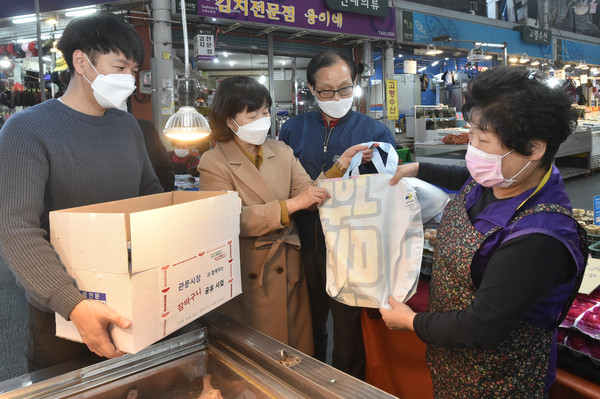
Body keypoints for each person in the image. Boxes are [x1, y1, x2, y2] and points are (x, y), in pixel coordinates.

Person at [380, 66, 588, 398]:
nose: (472, 149)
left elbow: (482, 326)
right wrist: (419, 168)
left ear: (534, 148)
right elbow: (465, 177)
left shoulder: (538, 237)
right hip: (452, 364)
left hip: (499, 381)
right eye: (471, 134)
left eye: (483, 139)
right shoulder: (503, 177)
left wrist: (410, 322)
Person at [0, 14, 164, 372]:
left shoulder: (128, 127)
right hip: (61, 310)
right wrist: (72, 303)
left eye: (133, 70)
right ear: (81, 61)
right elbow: (15, 229)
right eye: (120, 66)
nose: (129, 80)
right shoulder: (26, 130)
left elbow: (150, 196)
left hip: (130, 294)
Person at [197, 76, 368, 354]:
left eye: (265, 112)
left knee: (296, 352)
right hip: (251, 271)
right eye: (252, 115)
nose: (262, 120)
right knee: (257, 357)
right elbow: (230, 221)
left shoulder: (281, 151)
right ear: (230, 121)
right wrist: (290, 205)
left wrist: (342, 165)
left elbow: (310, 194)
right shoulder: (214, 163)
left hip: (289, 269)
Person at [278, 50, 396, 378]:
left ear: (355, 84)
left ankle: (348, 386)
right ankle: (310, 383)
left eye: (345, 88)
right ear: (312, 90)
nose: (337, 97)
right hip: (304, 243)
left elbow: (388, 193)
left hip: (351, 250)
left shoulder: (376, 133)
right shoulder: (292, 130)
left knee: (348, 332)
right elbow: (283, 184)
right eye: (327, 91)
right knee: (306, 325)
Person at [137, 119, 175, 191]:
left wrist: (164, 198)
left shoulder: (146, 128)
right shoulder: (146, 127)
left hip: (153, 197)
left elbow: (165, 169)